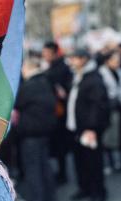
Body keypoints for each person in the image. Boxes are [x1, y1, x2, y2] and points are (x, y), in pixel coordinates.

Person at [14, 54, 57, 201]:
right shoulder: (45, 82)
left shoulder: (29, 86)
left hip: (30, 133)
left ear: (28, 68)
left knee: (32, 168)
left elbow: (17, 103)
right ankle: (50, 196)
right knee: (44, 164)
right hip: (45, 131)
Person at [66, 49, 110, 201]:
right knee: (80, 160)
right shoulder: (79, 75)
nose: (71, 61)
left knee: (93, 161)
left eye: (74, 58)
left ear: (84, 59)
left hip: (88, 129)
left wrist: (91, 128)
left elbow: (98, 106)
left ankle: (98, 192)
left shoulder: (93, 78)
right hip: (76, 127)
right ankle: (85, 188)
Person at [42, 41, 73, 185]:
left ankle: (62, 174)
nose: (44, 56)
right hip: (58, 111)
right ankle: (61, 173)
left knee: (60, 144)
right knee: (59, 144)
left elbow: (62, 91)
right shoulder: (55, 67)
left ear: (53, 53)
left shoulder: (58, 69)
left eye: (46, 53)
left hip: (59, 112)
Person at [99, 50, 121, 171]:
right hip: (109, 109)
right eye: (115, 61)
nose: (118, 63)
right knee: (109, 137)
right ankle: (110, 163)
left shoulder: (120, 71)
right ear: (107, 61)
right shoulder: (101, 73)